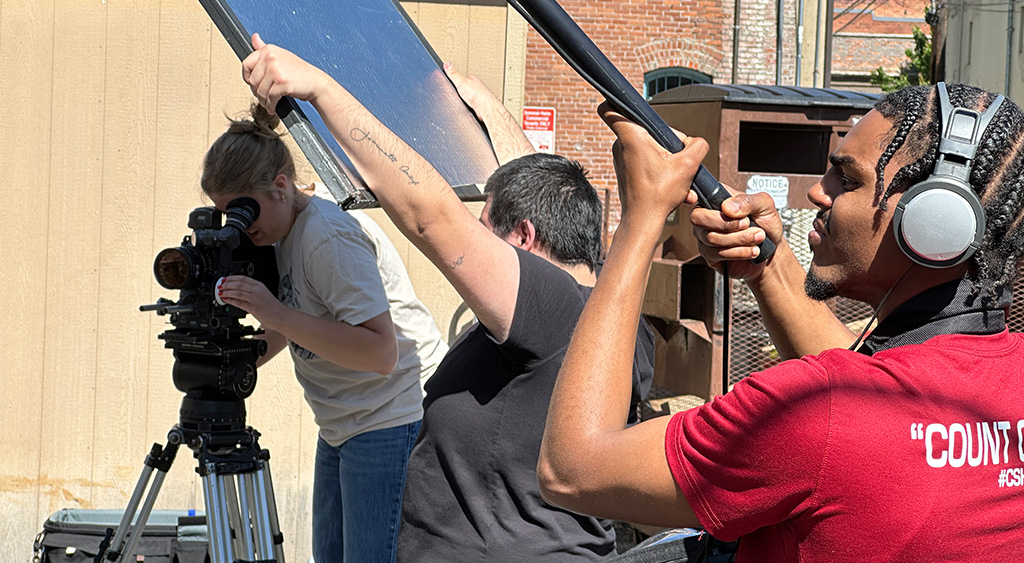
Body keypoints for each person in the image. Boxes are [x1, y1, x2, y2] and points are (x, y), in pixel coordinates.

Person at [537, 82, 1024, 562]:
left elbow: (572, 468)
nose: (817, 192)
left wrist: (642, 215)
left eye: (847, 181)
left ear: (935, 221)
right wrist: (766, 267)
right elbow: (874, 404)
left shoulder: (817, 413)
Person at [240, 34, 654, 562]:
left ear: (523, 239)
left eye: (483, 232)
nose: (475, 245)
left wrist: (320, 89)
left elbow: (430, 215)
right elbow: (543, 193)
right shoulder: (605, 312)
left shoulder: (552, 311)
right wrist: (491, 114)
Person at [205, 103, 448, 563]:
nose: (239, 225)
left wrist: (273, 314)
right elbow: (300, 318)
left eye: (242, 210)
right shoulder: (277, 231)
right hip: (341, 423)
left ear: (280, 186)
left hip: (389, 416)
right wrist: (240, 357)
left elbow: (380, 351)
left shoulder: (328, 237)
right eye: (225, 213)